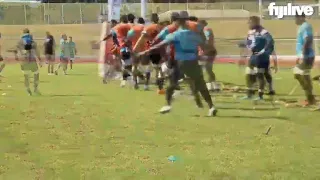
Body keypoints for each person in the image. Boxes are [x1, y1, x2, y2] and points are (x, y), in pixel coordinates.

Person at [138, 11, 217, 116]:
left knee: (172, 84)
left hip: (180, 64)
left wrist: (145, 51)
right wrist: (208, 53)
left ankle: (167, 105)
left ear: (179, 21)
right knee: (201, 85)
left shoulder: (175, 34)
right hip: (193, 63)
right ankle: (211, 107)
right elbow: (205, 47)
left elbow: (159, 44)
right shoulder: (194, 35)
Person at [241, 16, 275, 100]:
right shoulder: (250, 32)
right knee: (249, 74)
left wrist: (264, 50)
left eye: (250, 22)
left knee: (260, 75)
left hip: (261, 57)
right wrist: (244, 46)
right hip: (253, 56)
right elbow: (249, 42)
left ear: (255, 22)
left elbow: (270, 41)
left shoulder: (263, 31)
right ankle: (249, 94)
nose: (248, 24)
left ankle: (260, 95)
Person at [133, 13, 165, 94]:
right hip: (158, 51)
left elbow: (141, 38)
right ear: (158, 19)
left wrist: (135, 48)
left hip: (148, 50)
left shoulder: (148, 28)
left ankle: (145, 85)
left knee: (148, 68)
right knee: (159, 69)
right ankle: (160, 88)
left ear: (151, 20)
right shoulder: (162, 28)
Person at [293, 13, 316, 106]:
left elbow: (308, 39)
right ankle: (310, 98)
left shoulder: (305, 26)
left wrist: (303, 54)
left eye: (296, 18)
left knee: (297, 73)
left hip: (307, 56)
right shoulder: (303, 26)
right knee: (304, 75)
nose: (295, 20)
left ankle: (310, 98)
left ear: (301, 17)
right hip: (305, 56)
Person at [14, 28, 43, 95]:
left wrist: (16, 57)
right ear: (29, 32)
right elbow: (37, 52)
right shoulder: (32, 41)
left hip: (24, 60)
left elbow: (15, 50)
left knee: (26, 76)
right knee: (36, 73)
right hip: (32, 60)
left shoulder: (20, 41)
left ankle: (27, 89)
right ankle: (35, 88)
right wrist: (40, 60)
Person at [127, 17, 149, 90]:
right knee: (146, 67)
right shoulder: (145, 28)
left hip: (135, 49)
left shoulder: (133, 28)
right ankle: (146, 85)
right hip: (144, 50)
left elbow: (128, 38)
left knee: (134, 66)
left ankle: (135, 83)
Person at [197, 19, 218, 91]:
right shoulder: (205, 30)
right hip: (208, 52)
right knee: (208, 70)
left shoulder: (206, 30)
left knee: (205, 69)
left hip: (207, 52)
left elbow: (207, 41)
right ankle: (214, 85)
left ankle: (209, 86)